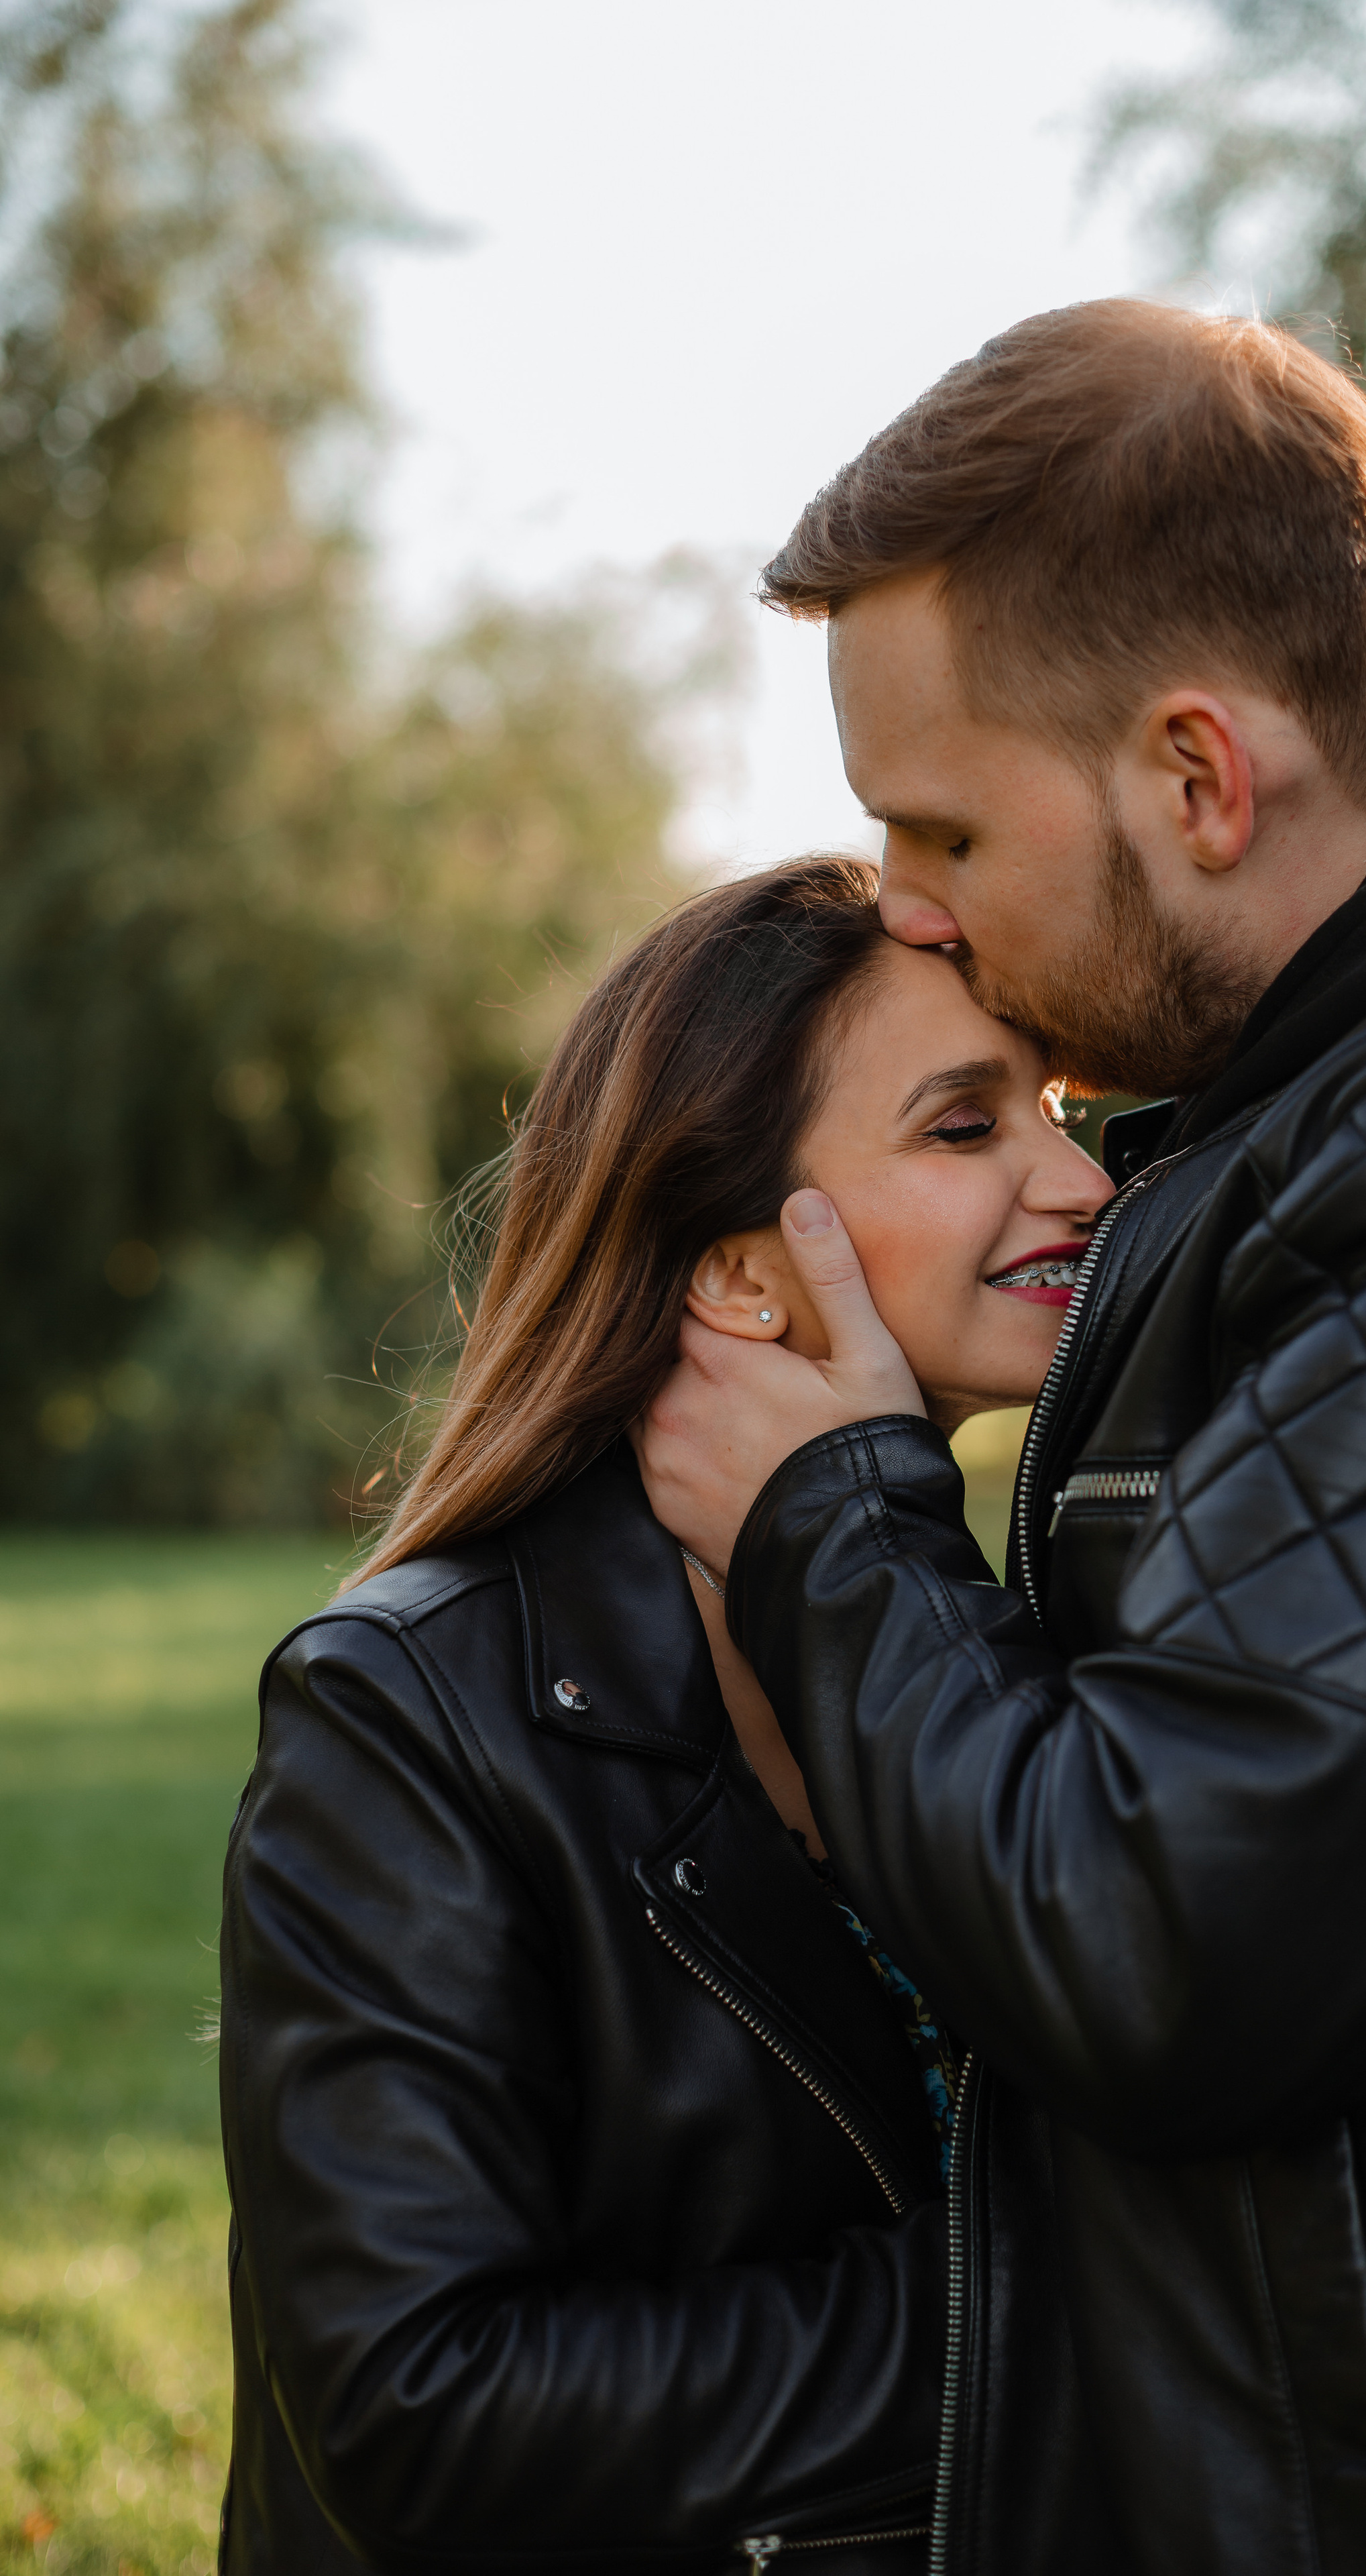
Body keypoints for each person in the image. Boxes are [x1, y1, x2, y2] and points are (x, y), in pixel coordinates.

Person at [638, 299, 1366, 2576]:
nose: (909, 907)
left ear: (1202, 778)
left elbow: (1159, 1946)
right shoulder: (1324, 1121)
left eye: (941, 824)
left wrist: (827, 1520)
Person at [217, 855, 1118, 2575]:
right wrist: (1077, 2313)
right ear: (733, 1275)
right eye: (962, 1128)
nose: (1078, 1179)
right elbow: (424, 2408)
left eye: (1058, 1111)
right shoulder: (405, 1716)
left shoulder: (995, 1637)